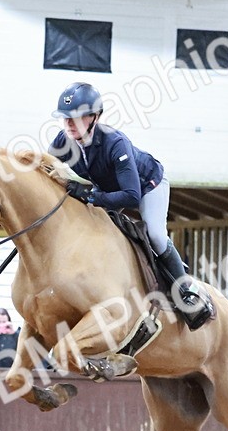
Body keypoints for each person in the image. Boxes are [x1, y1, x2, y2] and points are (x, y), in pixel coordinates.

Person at [48, 81, 216, 330]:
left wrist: (92, 196)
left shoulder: (114, 143)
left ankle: (187, 290)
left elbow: (130, 197)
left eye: (77, 117)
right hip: (108, 191)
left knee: (155, 234)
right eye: (65, 118)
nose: (69, 124)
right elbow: (47, 172)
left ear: (94, 117)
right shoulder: (62, 142)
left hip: (147, 185)